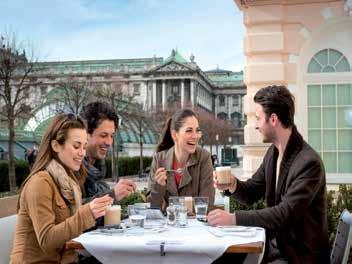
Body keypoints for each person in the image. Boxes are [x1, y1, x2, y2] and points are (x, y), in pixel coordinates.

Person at [208, 85, 329, 263]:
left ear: (273, 119)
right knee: (220, 259)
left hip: (298, 256)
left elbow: (284, 213)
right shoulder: (273, 153)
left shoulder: (309, 163)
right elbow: (251, 192)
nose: (255, 126)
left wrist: (233, 218)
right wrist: (232, 184)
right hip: (276, 247)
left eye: (258, 119)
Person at [10, 113, 113, 263]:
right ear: (56, 145)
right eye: (76, 146)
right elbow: (46, 240)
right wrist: (86, 213)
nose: (82, 153)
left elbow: (66, 233)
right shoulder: (40, 182)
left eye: (84, 147)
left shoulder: (69, 181)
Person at [148, 109, 215, 211]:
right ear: (175, 135)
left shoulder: (204, 158)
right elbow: (152, 208)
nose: (195, 136)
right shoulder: (159, 159)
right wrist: (158, 187)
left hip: (196, 225)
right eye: (189, 131)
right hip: (167, 225)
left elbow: (207, 203)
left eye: (197, 130)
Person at [80, 101, 136, 205]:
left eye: (112, 136)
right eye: (103, 135)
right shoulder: (72, 167)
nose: (109, 142)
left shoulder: (98, 168)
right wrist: (112, 195)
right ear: (86, 134)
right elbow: (72, 212)